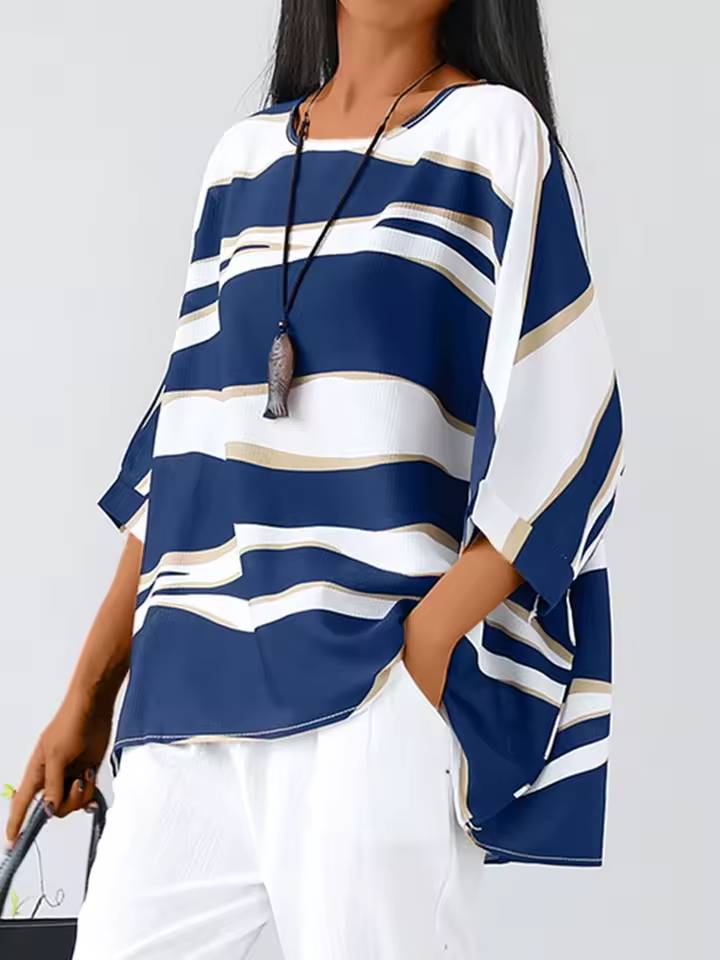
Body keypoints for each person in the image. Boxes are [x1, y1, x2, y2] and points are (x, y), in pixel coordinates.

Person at [4, 0, 626, 956]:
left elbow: (572, 428)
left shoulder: (492, 135)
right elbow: (187, 448)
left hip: (368, 694)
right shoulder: (242, 160)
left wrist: (422, 650)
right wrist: (88, 693)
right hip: (189, 696)